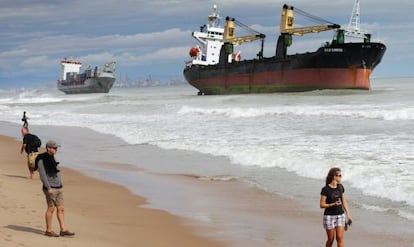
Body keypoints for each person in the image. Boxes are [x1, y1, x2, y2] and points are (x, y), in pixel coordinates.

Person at [35, 140, 75, 237]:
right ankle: (48, 230)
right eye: (54, 148)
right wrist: (48, 188)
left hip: (58, 187)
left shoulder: (52, 157)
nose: (56, 150)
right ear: (48, 148)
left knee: (61, 208)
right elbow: (43, 175)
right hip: (50, 188)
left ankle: (63, 230)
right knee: (51, 208)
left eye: (56, 148)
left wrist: (60, 184)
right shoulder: (41, 159)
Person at [320, 167, 352, 247]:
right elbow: (322, 205)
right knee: (331, 239)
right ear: (334, 176)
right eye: (339, 175)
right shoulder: (325, 189)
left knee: (340, 238)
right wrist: (333, 204)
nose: (341, 177)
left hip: (340, 215)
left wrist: (348, 214)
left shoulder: (340, 187)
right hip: (329, 216)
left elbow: (344, 201)